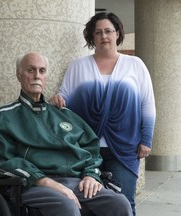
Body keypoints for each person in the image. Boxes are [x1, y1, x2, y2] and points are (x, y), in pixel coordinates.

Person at [0, 52, 132, 216]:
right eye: (30, 70)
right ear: (19, 74)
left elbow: (91, 147)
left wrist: (90, 175)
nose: (37, 76)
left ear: (46, 77)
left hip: (76, 181)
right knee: (66, 206)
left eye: (42, 71)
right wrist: (45, 181)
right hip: (33, 185)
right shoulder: (4, 116)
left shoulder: (64, 114)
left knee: (119, 204)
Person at [49, 12, 156, 215]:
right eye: (98, 33)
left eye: (108, 31)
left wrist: (146, 139)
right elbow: (65, 95)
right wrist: (57, 99)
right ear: (92, 37)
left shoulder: (136, 65)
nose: (104, 36)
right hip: (84, 150)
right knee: (89, 203)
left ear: (117, 34)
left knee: (124, 202)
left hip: (124, 148)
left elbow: (147, 104)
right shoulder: (77, 66)